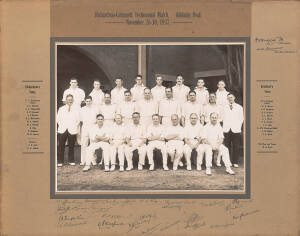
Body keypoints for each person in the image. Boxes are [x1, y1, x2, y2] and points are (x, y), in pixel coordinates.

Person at [57, 94, 80, 167]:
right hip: (62, 129)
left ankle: (71, 160)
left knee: (71, 146)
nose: (70, 100)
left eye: (71, 99)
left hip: (72, 129)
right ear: (66, 100)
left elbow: (78, 120)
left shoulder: (76, 109)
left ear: (73, 100)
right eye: (68, 99)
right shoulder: (61, 109)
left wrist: (74, 126)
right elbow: (58, 119)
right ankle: (60, 161)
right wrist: (62, 125)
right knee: (61, 146)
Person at [223, 93, 244, 168]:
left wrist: (238, 126)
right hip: (226, 129)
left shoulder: (239, 107)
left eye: (231, 97)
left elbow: (241, 119)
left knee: (236, 146)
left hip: (236, 129)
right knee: (227, 146)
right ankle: (228, 161)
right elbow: (223, 117)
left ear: (234, 98)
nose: (230, 99)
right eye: (228, 97)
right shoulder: (224, 107)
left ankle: (235, 162)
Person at [79, 96, 98, 166]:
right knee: (84, 143)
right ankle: (83, 160)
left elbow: (97, 119)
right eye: (87, 101)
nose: (88, 102)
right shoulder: (82, 109)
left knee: (93, 143)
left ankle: (93, 160)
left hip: (93, 126)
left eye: (89, 101)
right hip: (85, 126)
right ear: (85, 101)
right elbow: (81, 119)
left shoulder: (95, 109)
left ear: (92, 101)